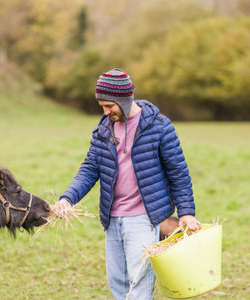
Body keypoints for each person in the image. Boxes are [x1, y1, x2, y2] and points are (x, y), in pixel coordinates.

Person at [57, 68, 201, 299]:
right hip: (112, 218)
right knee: (118, 284)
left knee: (138, 285)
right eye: (102, 106)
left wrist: (186, 213)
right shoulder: (104, 129)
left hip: (144, 219)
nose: (105, 112)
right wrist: (67, 198)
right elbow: (90, 169)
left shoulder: (160, 127)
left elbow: (179, 173)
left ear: (124, 99)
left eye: (109, 106)